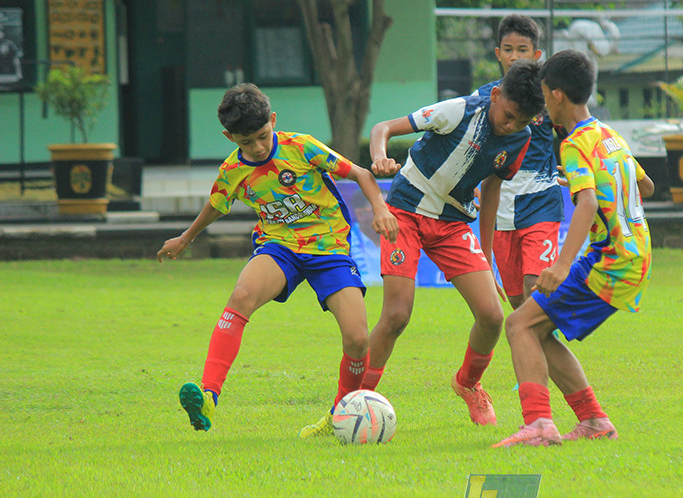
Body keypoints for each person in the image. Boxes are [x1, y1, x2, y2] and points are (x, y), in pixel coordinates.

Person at [156, 83, 398, 435]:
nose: (257, 147)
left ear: (272, 120)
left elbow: (361, 173)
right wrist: (186, 238)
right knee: (241, 296)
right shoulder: (233, 170)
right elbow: (216, 204)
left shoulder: (301, 147)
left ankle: (339, 416)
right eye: (246, 142)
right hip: (279, 246)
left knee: (358, 338)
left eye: (262, 136)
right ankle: (209, 397)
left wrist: (380, 209)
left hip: (329, 248)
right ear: (229, 137)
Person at [364, 58, 545, 425]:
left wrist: (487, 255)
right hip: (405, 212)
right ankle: (354, 398)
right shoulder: (459, 111)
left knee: (492, 316)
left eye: (522, 121)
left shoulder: (520, 138)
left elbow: (491, 189)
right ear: (495, 95)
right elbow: (383, 128)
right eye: (509, 115)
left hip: (452, 224)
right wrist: (380, 158)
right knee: (397, 315)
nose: (511, 126)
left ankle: (468, 383)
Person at [494, 49, 654, 448]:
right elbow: (645, 186)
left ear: (557, 95)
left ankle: (539, 425)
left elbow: (587, 205)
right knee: (536, 329)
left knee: (518, 325)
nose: (543, 104)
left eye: (544, 93)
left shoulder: (574, 143)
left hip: (610, 261)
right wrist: (588, 182)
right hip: (634, 255)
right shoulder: (609, 135)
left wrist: (562, 265)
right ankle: (594, 421)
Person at [473, 14, 563, 310]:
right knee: (517, 302)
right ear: (498, 53)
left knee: (535, 290)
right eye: (508, 49)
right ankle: (538, 342)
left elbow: (576, 133)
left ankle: (546, 339)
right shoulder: (484, 97)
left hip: (540, 201)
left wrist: (581, 169)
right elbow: (467, 145)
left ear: (536, 55)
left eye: (522, 50)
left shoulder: (549, 97)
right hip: (499, 208)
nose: (514, 57)